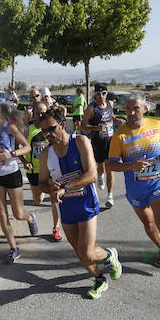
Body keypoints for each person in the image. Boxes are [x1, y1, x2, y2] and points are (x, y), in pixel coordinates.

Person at [38, 109, 121, 299]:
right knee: (81, 254)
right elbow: (41, 184)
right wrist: (50, 187)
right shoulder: (45, 154)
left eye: (50, 129)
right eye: (44, 131)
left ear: (61, 125)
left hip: (85, 205)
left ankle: (110, 255)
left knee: (88, 253)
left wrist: (65, 188)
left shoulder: (80, 142)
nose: (47, 134)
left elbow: (92, 175)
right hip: (66, 208)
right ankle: (100, 279)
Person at [106, 93, 160, 268]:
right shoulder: (119, 136)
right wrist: (130, 166)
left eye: (135, 108)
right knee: (149, 224)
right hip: (136, 189)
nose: (131, 112)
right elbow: (110, 165)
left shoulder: (156, 125)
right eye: (128, 109)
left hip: (158, 182)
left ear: (145, 109)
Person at [0, 100, 38, 263]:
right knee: (2, 215)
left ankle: (30, 218)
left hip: (11, 173)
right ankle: (14, 248)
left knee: (18, 213)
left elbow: (27, 147)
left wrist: (11, 154)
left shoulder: (9, 127)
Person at [24, 102, 62, 241]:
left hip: (51, 169)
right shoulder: (27, 129)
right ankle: (32, 217)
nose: (40, 115)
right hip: (34, 171)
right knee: (38, 200)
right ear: (33, 113)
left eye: (43, 112)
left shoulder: (51, 127)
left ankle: (56, 228)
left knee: (54, 198)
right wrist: (24, 161)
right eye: (37, 113)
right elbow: (17, 147)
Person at [81, 85, 117, 207]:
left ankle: (110, 196)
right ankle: (100, 174)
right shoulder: (91, 108)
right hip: (98, 142)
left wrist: (117, 121)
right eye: (98, 94)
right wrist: (96, 128)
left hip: (110, 141)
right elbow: (82, 126)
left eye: (103, 93)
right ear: (95, 94)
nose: (101, 96)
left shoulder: (110, 104)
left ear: (107, 94)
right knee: (101, 167)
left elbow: (112, 117)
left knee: (110, 168)